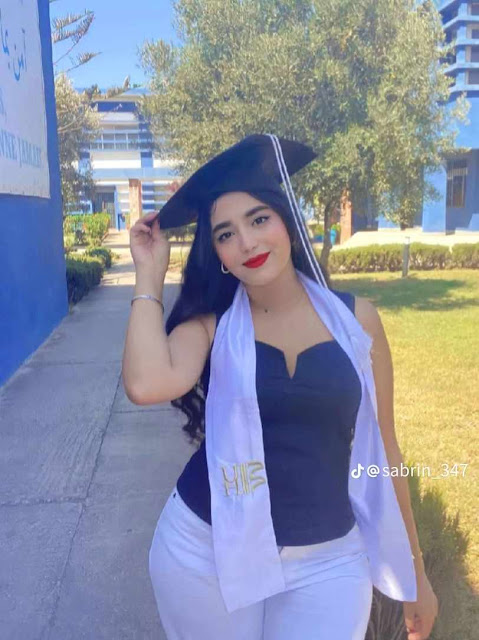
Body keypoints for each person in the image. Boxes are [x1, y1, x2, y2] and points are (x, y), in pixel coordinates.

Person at [122, 134, 438, 639]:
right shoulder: (211, 327)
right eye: (226, 234)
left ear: (287, 222)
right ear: (217, 254)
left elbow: (385, 446)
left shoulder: (357, 323)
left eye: (258, 219)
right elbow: (145, 383)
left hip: (328, 560)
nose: (247, 243)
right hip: (206, 552)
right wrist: (148, 276)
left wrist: (415, 573)